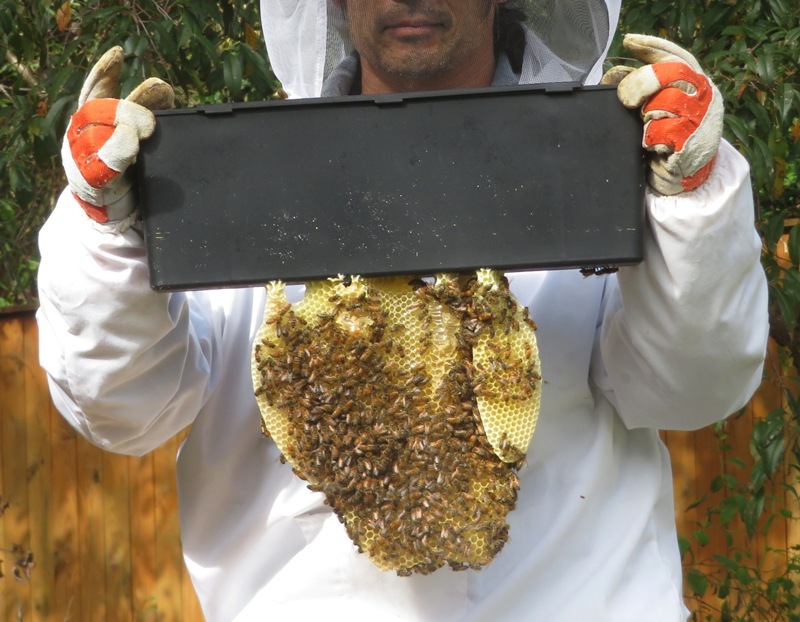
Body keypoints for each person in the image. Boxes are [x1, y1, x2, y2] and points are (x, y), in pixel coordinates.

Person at [37, 0, 769, 620]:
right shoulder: (239, 176)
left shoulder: (598, 157)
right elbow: (127, 410)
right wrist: (105, 234)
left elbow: (693, 386)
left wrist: (693, 202)